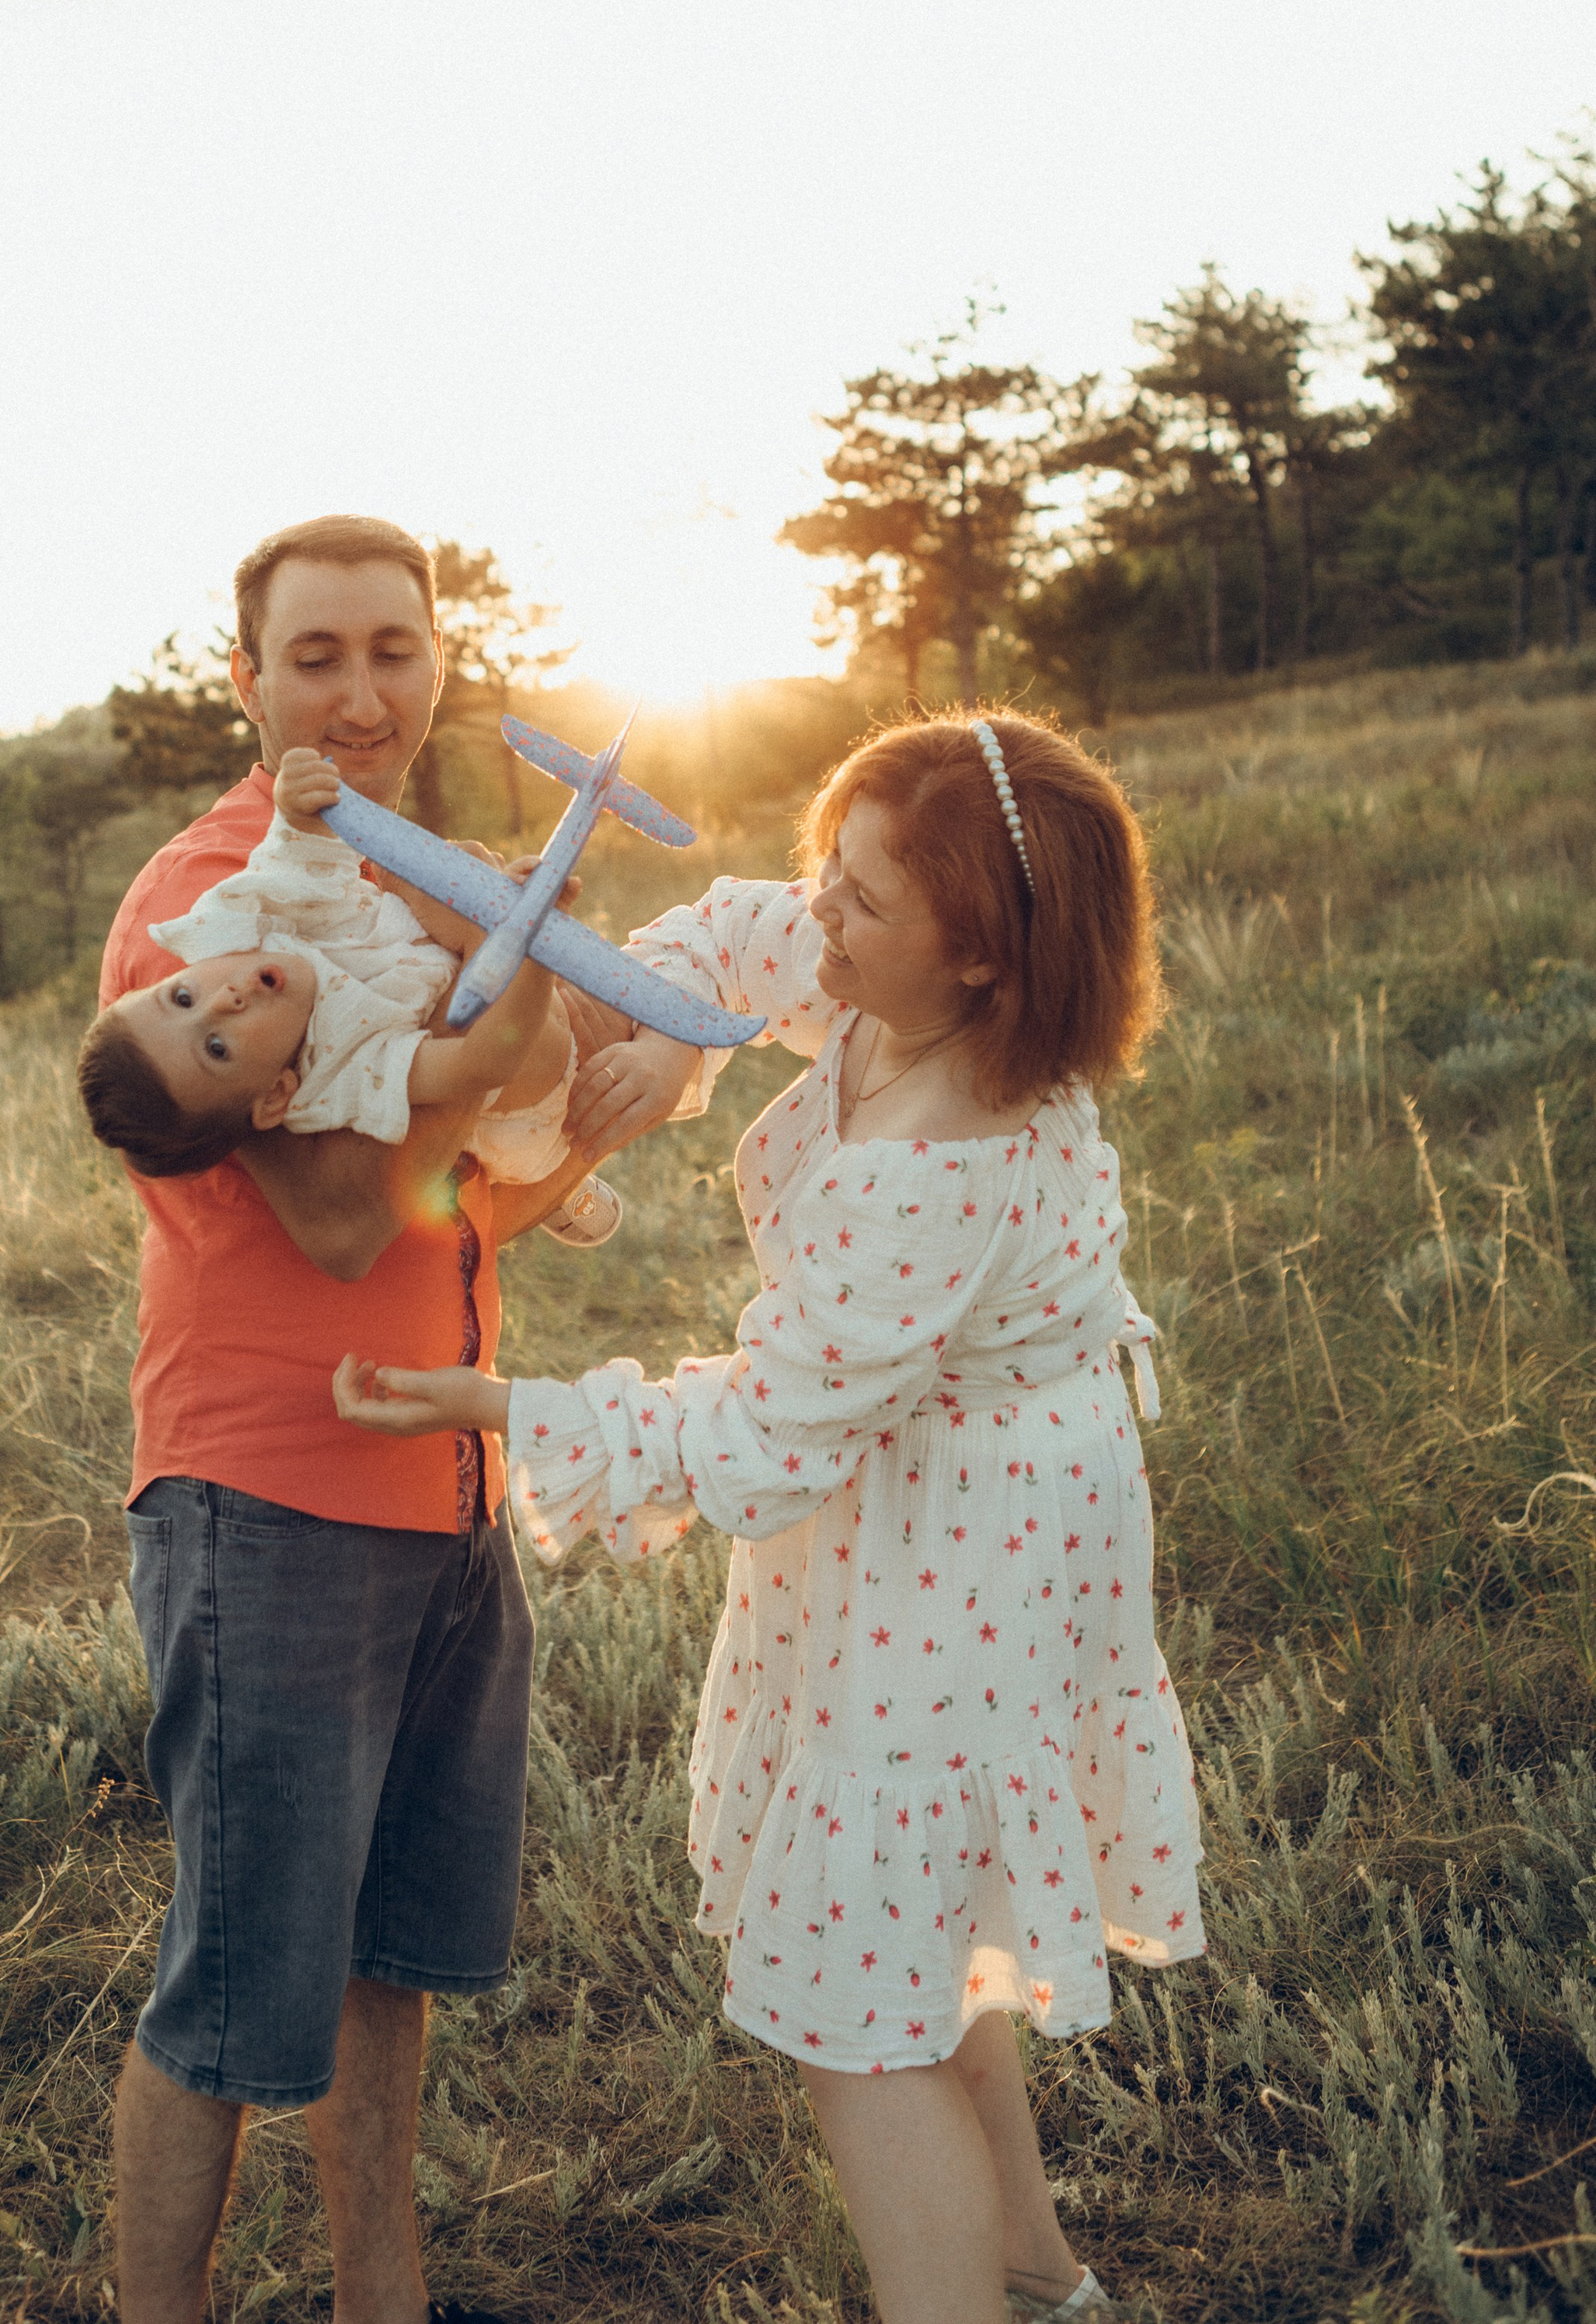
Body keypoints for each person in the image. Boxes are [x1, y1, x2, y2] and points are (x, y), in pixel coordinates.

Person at [335, 710, 1204, 2324]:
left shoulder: (940, 1163)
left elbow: (764, 1431)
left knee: (849, 2005)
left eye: (866, 903)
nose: (823, 915)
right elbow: (738, 927)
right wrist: (684, 1033)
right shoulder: (891, 993)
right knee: (925, 1913)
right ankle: (1036, 2273)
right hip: (932, 1500)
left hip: (970, 1535)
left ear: (986, 968)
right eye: (835, 865)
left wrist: (511, 1410)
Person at [101, 515, 597, 2324]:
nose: (362, 688)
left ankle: (375, 2304)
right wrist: (512, 1011)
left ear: (440, 662)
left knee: (384, 1961)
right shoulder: (218, 909)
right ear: (248, 682)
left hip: (443, 1481)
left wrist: (581, 1114)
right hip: (269, 1501)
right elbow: (325, 1218)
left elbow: (449, 1207)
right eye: (316, 654)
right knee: (238, 1997)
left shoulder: (437, 876)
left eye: (395, 646)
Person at [78, 744, 580, 1186]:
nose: (222, 1000)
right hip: (528, 1122)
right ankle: (554, 1188)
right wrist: (530, 942)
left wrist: (295, 799)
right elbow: (482, 1063)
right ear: (275, 1095)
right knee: (516, 1147)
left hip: (481, 975)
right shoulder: (343, 1072)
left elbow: (300, 847)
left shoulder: (247, 924)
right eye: (216, 1047)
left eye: (182, 997)